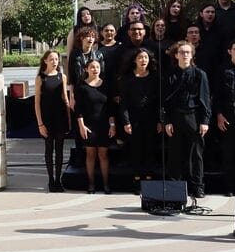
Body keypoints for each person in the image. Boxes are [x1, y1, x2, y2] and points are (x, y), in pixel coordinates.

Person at [163, 41, 211, 199]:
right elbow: (166, 101)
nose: (185, 55)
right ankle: (174, 187)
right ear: (176, 55)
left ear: (192, 55)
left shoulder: (200, 74)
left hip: (194, 116)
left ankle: (197, 187)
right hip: (175, 117)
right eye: (182, 52)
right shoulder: (170, 74)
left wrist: (205, 121)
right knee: (174, 154)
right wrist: (167, 121)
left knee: (196, 154)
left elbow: (205, 99)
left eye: (187, 52)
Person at [119, 48, 162, 193]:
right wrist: (126, 122)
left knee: (150, 148)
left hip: (151, 118)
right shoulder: (127, 79)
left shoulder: (155, 77)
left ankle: (149, 179)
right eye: (140, 57)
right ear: (134, 60)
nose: (143, 60)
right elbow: (123, 102)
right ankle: (137, 179)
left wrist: (159, 121)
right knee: (136, 149)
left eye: (145, 58)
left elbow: (159, 102)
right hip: (133, 118)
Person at [75, 59, 116, 193]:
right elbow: (78, 109)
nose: (95, 69)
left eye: (97, 67)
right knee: (90, 155)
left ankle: (106, 184)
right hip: (88, 125)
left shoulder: (106, 85)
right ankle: (91, 184)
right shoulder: (81, 86)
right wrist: (81, 126)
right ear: (86, 69)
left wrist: (112, 125)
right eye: (92, 67)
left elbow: (110, 108)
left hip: (104, 124)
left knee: (104, 155)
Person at [34, 50, 70, 192]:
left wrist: (69, 120)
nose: (55, 62)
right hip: (47, 118)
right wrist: (40, 124)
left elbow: (65, 99)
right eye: (51, 59)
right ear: (45, 61)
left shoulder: (62, 76)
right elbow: (36, 102)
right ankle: (50, 180)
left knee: (60, 150)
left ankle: (58, 180)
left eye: (56, 59)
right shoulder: (40, 78)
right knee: (49, 149)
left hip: (60, 117)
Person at [215, 39, 235, 197]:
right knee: (228, 153)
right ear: (229, 51)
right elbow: (217, 96)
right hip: (227, 117)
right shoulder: (222, 70)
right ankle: (229, 187)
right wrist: (219, 115)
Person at [67, 27, 104, 111]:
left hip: (94, 90)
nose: (90, 39)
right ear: (81, 38)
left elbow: (102, 76)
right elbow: (71, 76)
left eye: (93, 36)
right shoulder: (74, 54)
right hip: (79, 89)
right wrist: (71, 96)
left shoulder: (99, 55)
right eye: (88, 36)